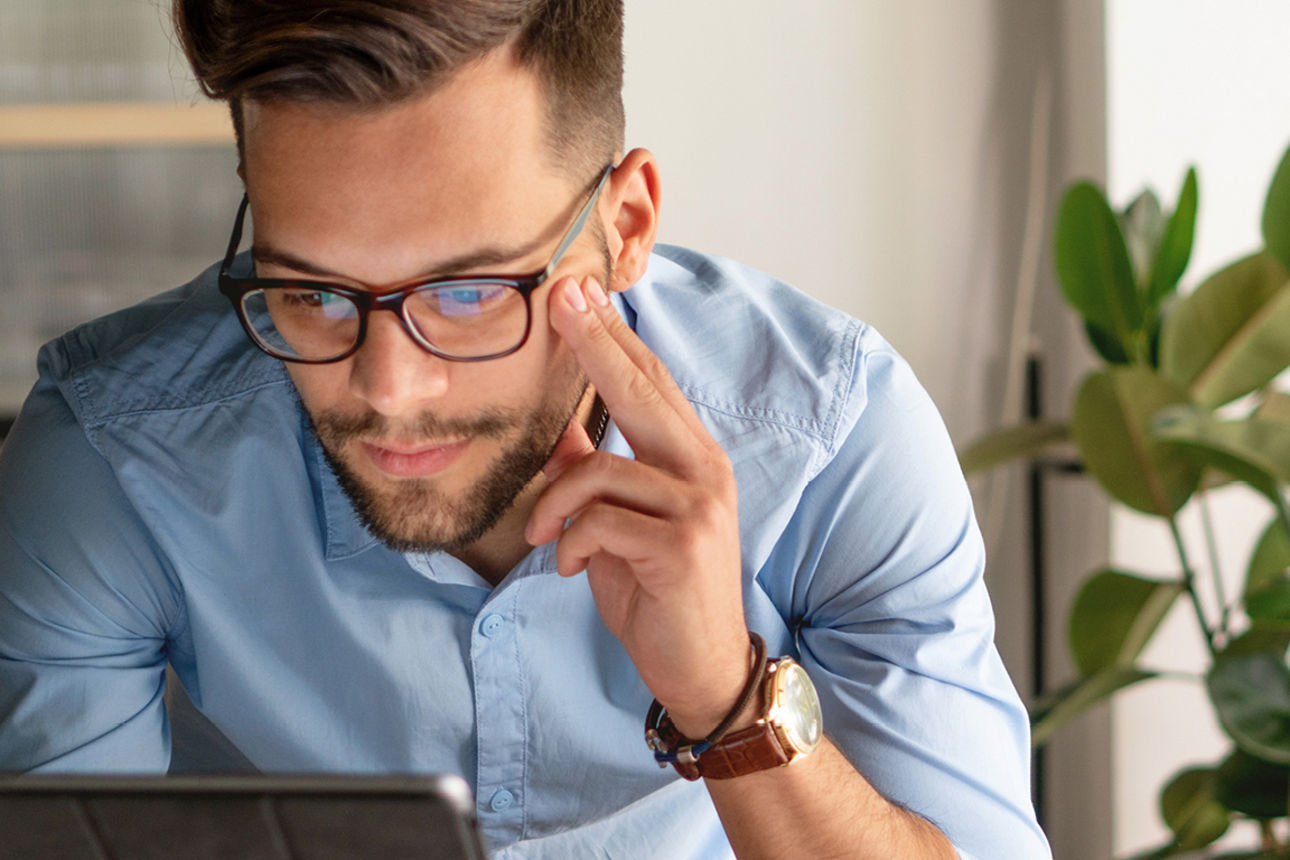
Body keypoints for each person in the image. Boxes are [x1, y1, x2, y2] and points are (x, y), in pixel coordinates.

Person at [0, 2, 1050, 857]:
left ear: (625, 225)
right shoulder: (111, 458)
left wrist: (728, 704)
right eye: (310, 288)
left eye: (468, 292)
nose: (390, 387)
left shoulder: (833, 441)